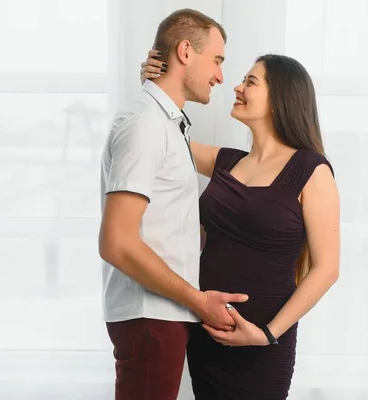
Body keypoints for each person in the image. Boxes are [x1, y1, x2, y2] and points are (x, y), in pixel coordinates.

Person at [140, 51, 340, 399]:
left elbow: (327, 269)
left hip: (263, 344)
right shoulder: (226, 162)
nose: (236, 86)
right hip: (207, 333)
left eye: (250, 81)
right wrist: (155, 86)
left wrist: (267, 333)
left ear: (281, 98)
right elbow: (163, 136)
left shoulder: (312, 170)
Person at [98, 9, 249, 400]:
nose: (220, 76)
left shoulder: (166, 125)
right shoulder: (147, 125)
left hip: (159, 316)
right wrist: (197, 300)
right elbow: (117, 242)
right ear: (186, 51)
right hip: (151, 316)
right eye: (217, 60)